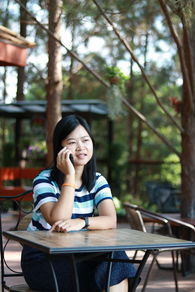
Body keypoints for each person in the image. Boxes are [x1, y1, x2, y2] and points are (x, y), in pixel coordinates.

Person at [21, 114, 137, 292]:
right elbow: (57, 219)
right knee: (108, 272)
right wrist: (69, 176)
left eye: (85, 140)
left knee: (116, 258)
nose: (81, 147)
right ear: (60, 147)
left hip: (80, 253)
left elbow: (110, 220)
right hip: (43, 259)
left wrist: (83, 222)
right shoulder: (44, 180)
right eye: (72, 142)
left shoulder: (97, 180)